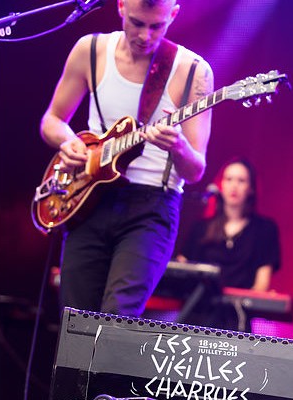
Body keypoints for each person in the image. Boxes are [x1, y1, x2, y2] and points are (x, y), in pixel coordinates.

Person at [39, 0, 214, 318]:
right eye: (136, 22)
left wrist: (178, 147)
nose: (145, 36)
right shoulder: (90, 50)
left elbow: (196, 169)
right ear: (120, 6)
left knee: (115, 319)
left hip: (151, 208)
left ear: (173, 15)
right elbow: (52, 120)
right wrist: (69, 143)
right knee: (74, 322)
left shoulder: (193, 71)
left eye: (156, 26)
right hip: (90, 198)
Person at [175, 157, 281, 332]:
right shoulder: (201, 228)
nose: (234, 186)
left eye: (241, 181)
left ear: (251, 188)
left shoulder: (265, 229)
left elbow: (262, 283)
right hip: (198, 312)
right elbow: (183, 269)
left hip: (238, 316)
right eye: (229, 179)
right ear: (220, 185)